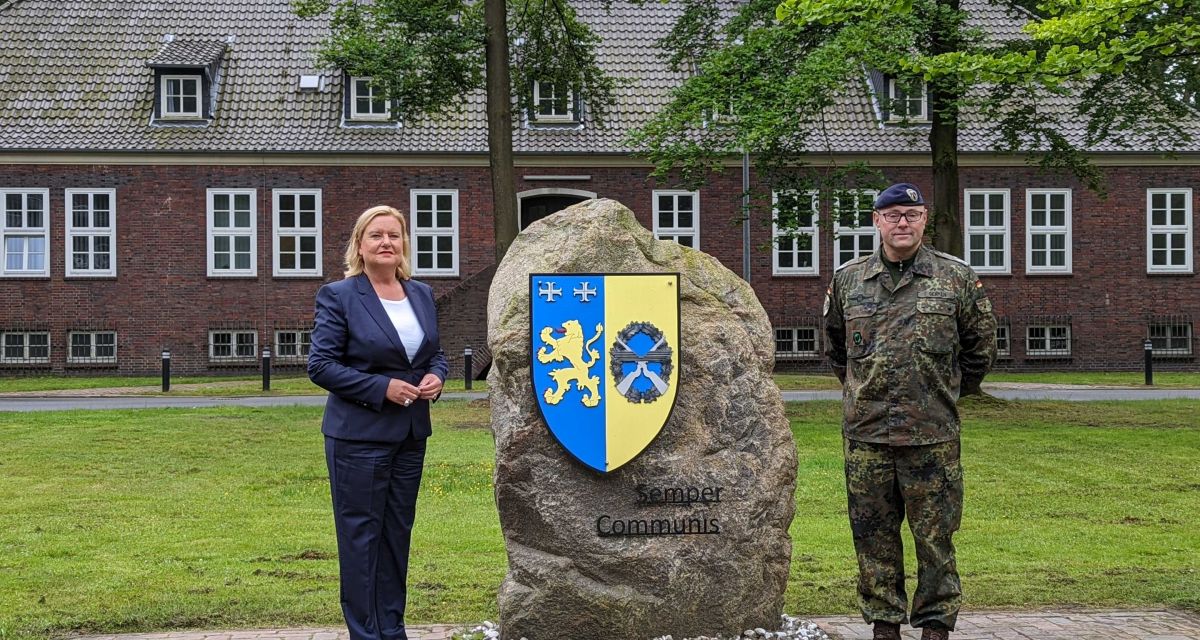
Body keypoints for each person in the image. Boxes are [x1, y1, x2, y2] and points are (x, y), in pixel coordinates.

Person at [823, 183, 996, 640]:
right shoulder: (848, 280)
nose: (903, 222)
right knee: (872, 535)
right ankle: (884, 624)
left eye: (912, 214)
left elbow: (980, 348)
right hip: (868, 436)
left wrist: (944, 394)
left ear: (924, 220)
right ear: (877, 221)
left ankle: (936, 624)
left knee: (935, 537)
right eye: (893, 214)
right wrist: (866, 391)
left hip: (932, 435)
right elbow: (836, 348)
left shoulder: (954, 277)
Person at [308, 205, 447, 640]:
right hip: (359, 438)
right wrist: (380, 388)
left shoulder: (420, 294)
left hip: (410, 436)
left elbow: (434, 354)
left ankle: (393, 629)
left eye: (394, 234)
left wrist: (436, 377)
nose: (386, 242)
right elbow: (321, 365)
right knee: (361, 540)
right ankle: (365, 634)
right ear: (360, 246)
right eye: (376, 235)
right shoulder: (340, 296)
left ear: (404, 243)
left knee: (395, 538)